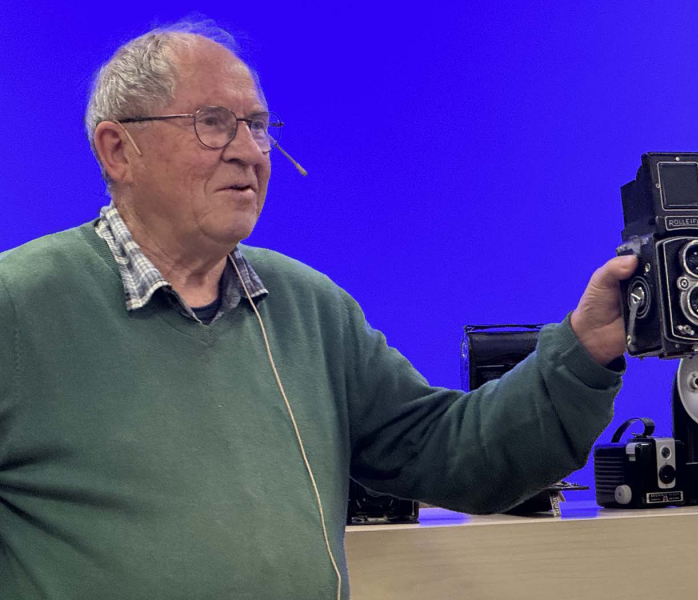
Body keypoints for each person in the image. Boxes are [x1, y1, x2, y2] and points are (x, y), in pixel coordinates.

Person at [0, 22, 637, 600]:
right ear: (118, 151)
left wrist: (583, 349)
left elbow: (451, 450)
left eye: (258, 126)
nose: (249, 152)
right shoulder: (20, 304)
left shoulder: (309, 308)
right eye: (214, 122)